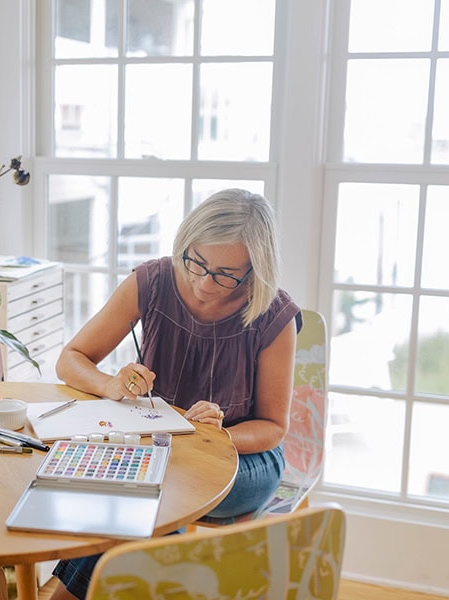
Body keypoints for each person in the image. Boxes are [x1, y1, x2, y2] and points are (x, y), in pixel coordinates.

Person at [49, 188, 302, 600]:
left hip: (243, 459)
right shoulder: (153, 281)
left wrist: (215, 436)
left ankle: (71, 595)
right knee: (134, 485)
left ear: (255, 270)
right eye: (196, 262)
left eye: (225, 274)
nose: (204, 282)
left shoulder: (273, 315)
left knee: (150, 489)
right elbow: (71, 359)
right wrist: (109, 384)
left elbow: (273, 428)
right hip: (156, 450)